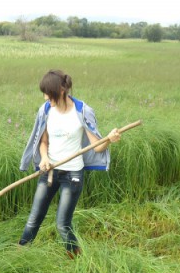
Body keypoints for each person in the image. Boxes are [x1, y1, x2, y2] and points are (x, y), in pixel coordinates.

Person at [18, 69, 121, 258]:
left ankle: (76, 258)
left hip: (72, 175)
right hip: (49, 171)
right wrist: (45, 159)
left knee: (62, 224)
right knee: (34, 219)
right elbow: (43, 142)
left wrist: (108, 139)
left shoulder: (82, 111)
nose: (45, 97)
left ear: (61, 90)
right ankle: (20, 254)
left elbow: (97, 147)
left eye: (48, 93)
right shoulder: (46, 110)